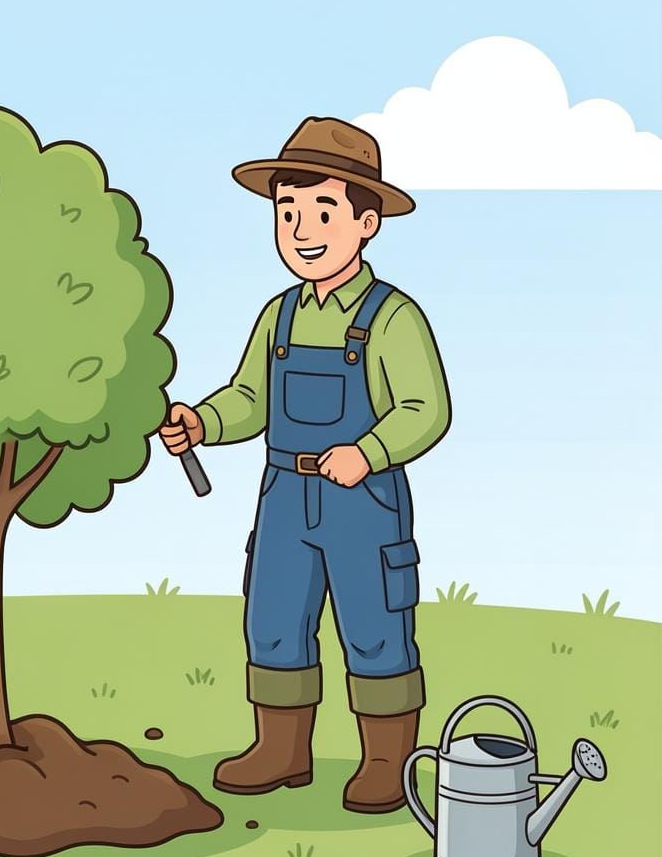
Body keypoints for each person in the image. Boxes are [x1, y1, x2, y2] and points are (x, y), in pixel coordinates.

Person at [160, 117, 451, 812]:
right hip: (285, 497)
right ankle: (281, 750)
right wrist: (204, 420)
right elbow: (250, 397)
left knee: (375, 624)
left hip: (363, 504)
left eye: (323, 210)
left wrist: (368, 452)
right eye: (287, 211)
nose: (301, 228)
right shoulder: (280, 315)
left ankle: (387, 761)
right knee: (274, 617)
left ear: (367, 222)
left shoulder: (391, 318)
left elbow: (425, 409)